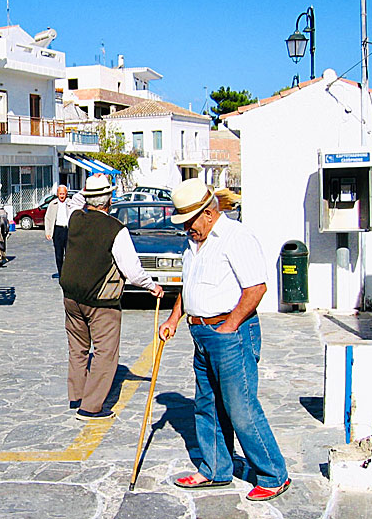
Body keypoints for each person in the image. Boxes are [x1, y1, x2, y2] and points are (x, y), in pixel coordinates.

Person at [159, 178, 290, 502]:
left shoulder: (236, 237)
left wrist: (229, 327)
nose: (186, 227)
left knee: (240, 407)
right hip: (200, 333)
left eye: (189, 221)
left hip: (230, 333)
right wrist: (175, 318)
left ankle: (274, 474)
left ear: (208, 213)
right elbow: (188, 287)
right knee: (207, 405)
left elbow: (256, 288)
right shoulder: (194, 242)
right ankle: (215, 469)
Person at [60, 174, 164, 421]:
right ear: (110, 200)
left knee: (78, 349)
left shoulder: (74, 217)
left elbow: (74, 202)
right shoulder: (115, 229)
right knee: (106, 353)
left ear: (87, 199)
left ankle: (77, 397)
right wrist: (152, 286)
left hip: (72, 297)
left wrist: (85, 190)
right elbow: (132, 270)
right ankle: (91, 407)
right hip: (100, 301)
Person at [44, 185, 84, 276]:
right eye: (60, 193)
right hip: (57, 230)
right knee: (59, 253)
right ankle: (61, 272)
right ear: (57, 194)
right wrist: (48, 232)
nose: (62, 196)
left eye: (63, 193)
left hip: (68, 229)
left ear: (66, 194)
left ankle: (69, 272)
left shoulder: (70, 203)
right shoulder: (52, 204)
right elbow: (48, 218)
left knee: (69, 253)